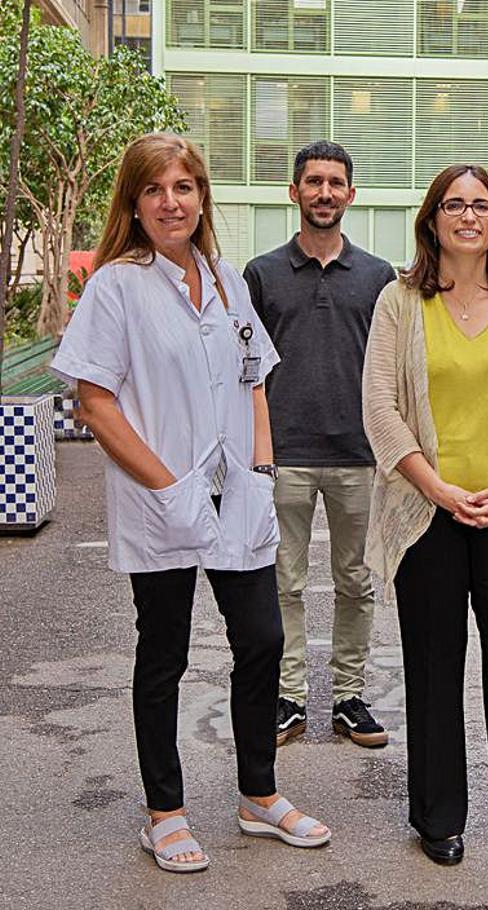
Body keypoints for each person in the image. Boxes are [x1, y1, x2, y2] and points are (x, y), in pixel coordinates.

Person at [50, 133, 329, 874]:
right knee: (164, 655)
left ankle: (258, 796)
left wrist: (263, 473)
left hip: (237, 490)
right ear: (134, 206)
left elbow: (255, 381)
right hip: (160, 497)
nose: (171, 202)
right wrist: (166, 484)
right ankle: (164, 813)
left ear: (203, 198)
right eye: (154, 190)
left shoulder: (230, 282)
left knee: (262, 641)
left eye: (184, 187)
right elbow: (95, 401)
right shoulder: (118, 285)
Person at [361, 164, 488, 865]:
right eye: (455, 204)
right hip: (425, 512)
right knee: (434, 663)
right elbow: (380, 407)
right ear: (433, 219)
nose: (469, 216)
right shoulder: (399, 302)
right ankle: (438, 817)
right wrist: (438, 490)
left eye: (482, 205)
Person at [244, 141, 396, 749]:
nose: (325, 192)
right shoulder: (262, 273)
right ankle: (287, 696)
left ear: (350, 194)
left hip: (360, 455)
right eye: (314, 182)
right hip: (285, 455)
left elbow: (391, 371)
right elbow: (246, 370)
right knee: (283, 582)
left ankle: (350, 696)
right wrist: (253, 454)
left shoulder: (380, 277)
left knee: (356, 581)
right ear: (295, 192)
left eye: (335, 182)